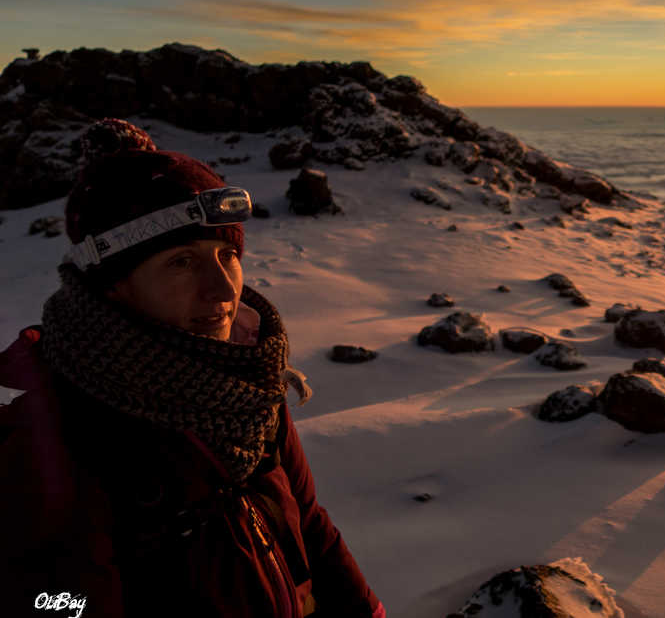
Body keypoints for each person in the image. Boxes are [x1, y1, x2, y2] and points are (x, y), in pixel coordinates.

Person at [0, 120, 385, 618]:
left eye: (228, 255)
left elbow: (308, 524)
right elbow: (51, 600)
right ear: (112, 284)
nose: (224, 290)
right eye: (181, 262)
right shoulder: (51, 434)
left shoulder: (247, 383)